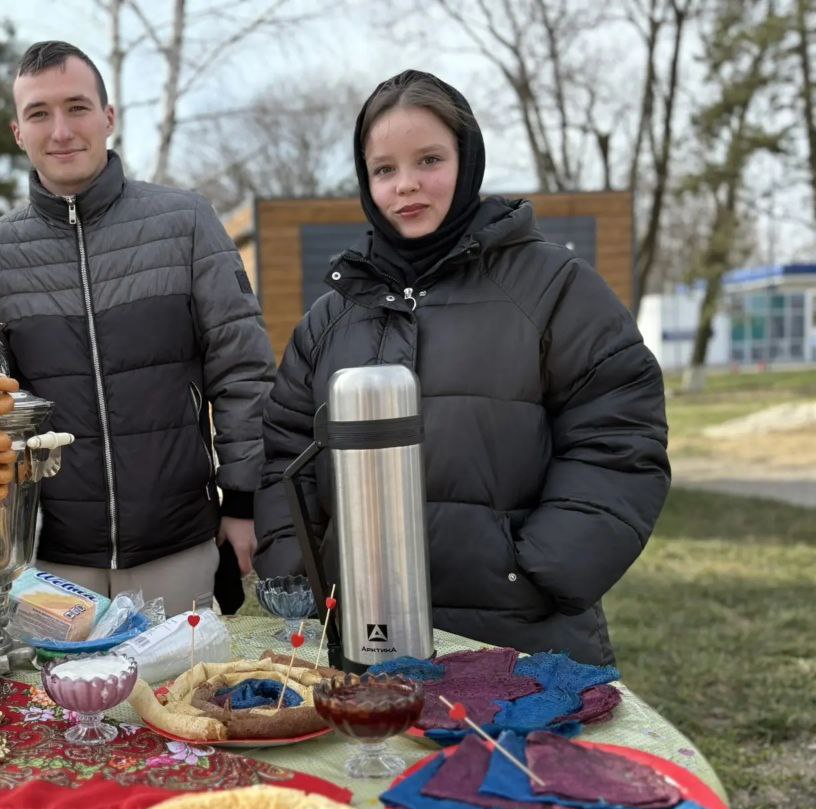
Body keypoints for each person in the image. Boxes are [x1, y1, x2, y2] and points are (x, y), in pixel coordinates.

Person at [254, 70, 670, 666]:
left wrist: (537, 569)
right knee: (377, 763)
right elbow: (285, 455)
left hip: (521, 636)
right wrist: (302, 574)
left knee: (510, 765)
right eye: (386, 169)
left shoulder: (555, 287)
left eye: (429, 159)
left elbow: (619, 437)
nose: (407, 186)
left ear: (467, 158)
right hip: (360, 639)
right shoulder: (330, 318)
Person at [0, 41, 275, 612]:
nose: (61, 130)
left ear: (109, 117)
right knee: (64, 705)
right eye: (39, 114)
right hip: (53, 565)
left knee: (183, 701)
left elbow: (243, 370)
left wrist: (244, 502)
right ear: (17, 132)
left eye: (77, 107)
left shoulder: (186, 223)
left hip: (179, 549)